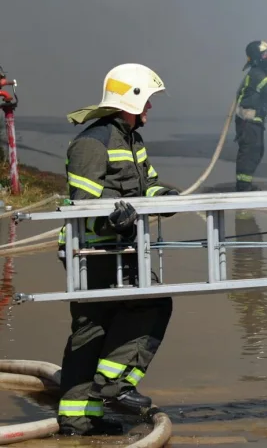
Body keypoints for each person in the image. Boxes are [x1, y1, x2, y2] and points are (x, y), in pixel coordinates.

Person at [56, 63, 179, 436]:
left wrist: (165, 197)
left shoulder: (131, 140)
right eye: (149, 101)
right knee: (152, 303)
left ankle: (78, 418)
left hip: (118, 249)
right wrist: (112, 221)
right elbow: (82, 205)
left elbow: (148, 185)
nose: (151, 109)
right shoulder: (92, 143)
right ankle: (116, 385)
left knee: (93, 330)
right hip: (93, 250)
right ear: (134, 98)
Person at [234, 40, 267, 191]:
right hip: (249, 122)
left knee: (256, 152)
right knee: (249, 153)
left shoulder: (259, 72)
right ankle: (243, 187)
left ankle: (245, 185)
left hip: (253, 122)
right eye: (264, 54)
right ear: (257, 56)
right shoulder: (256, 74)